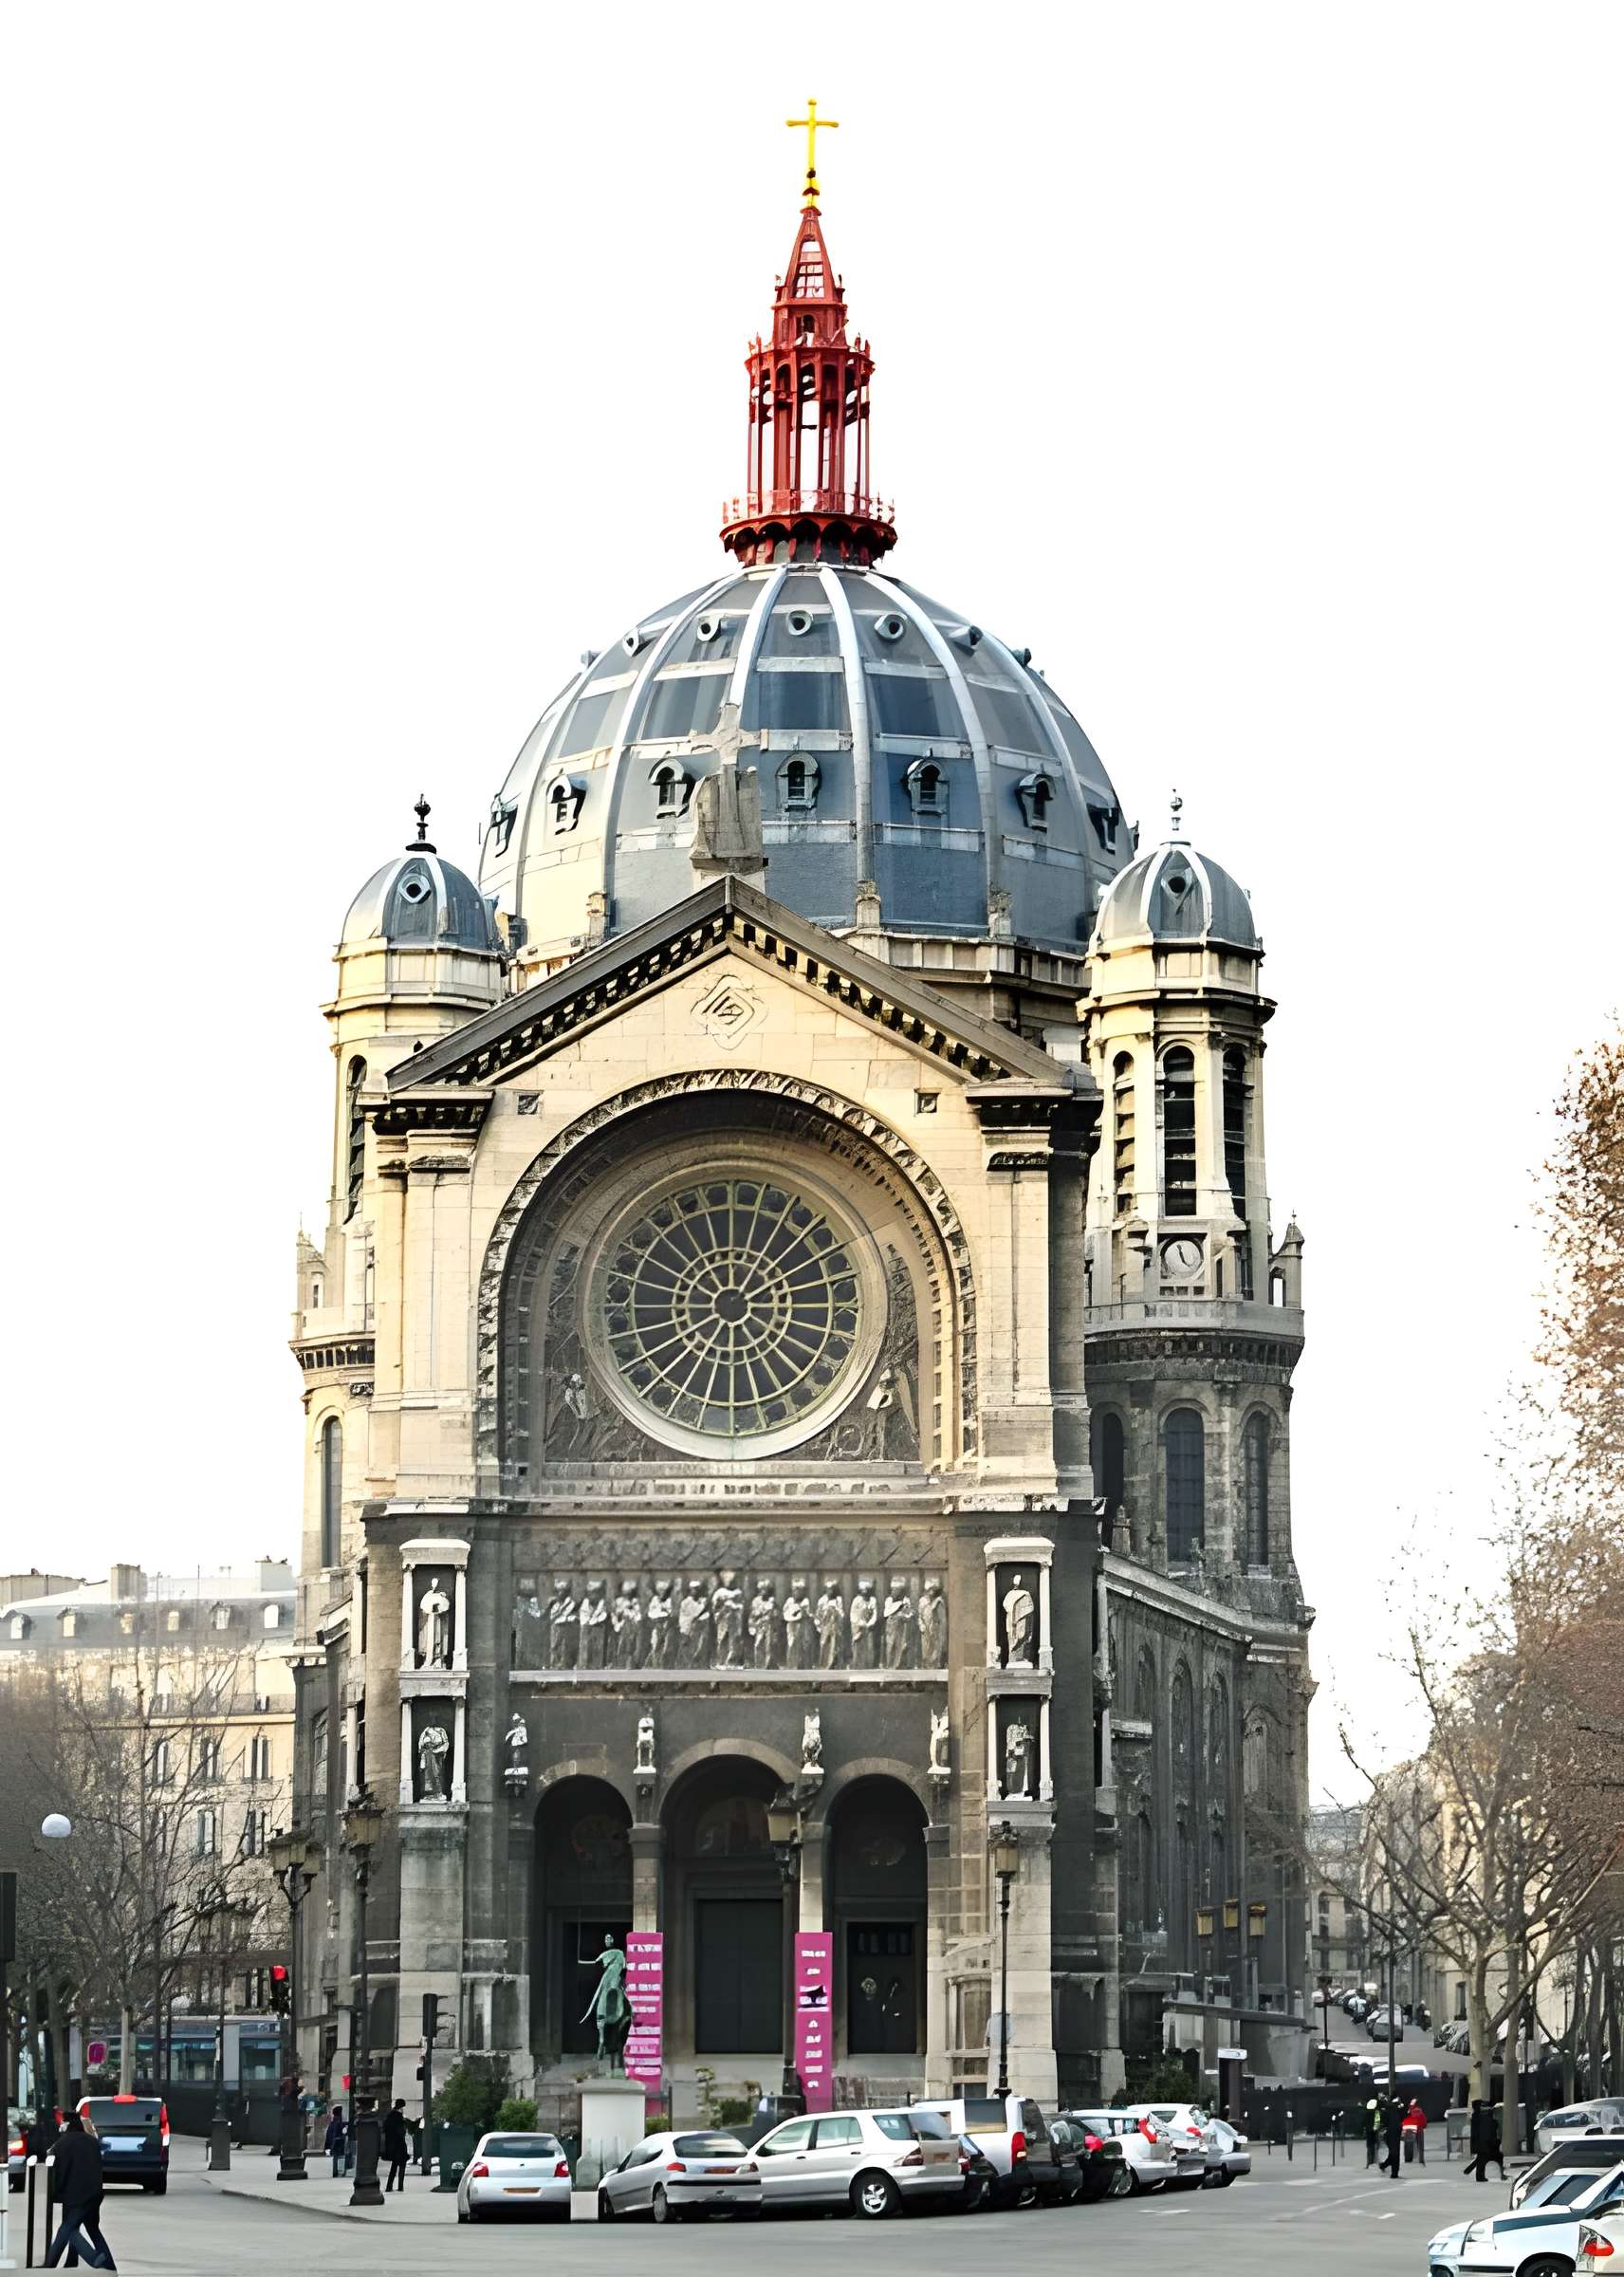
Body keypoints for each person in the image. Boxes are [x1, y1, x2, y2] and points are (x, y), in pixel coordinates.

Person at [43, 2112, 112, 2269]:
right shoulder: (92, 2141)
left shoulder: (62, 2144)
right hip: (95, 2194)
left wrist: (55, 2193)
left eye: (62, 2122)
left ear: (67, 2124)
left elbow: (60, 2173)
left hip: (75, 2196)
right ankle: (108, 2264)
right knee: (92, 2229)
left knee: (68, 2229)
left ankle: (93, 2258)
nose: (60, 2125)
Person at [1468, 2100, 1505, 2183]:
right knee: (1493, 2158)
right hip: (1486, 2144)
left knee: (1482, 2160)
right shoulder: (1483, 2117)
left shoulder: (1476, 2116)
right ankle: (1500, 2175)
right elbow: (1490, 2129)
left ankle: (1480, 2176)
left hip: (1482, 2144)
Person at [382, 2097, 410, 2192]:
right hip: (399, 2144)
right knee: (402, 2164)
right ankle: (400, 2186)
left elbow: (385, 2129)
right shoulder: (398, 2116)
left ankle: (389, 2186)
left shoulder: (389, 2115)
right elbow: (401, 2130)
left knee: (394, 2166)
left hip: (392, 2144)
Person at [1379, 2091, 1405, 2176]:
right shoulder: (1398, 2107)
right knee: (1395, 2152)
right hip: (1397, 2130)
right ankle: (1393, 2171)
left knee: (1393, 2152)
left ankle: (1385, 2166)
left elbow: (1384, 2120)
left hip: (1390, 2131)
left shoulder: (1388, 2107)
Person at [323, 2103, 348, 2178]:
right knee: (338, 2157)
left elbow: (329, 2134)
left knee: (335, 2157)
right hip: (337, 2142)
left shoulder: (333, 2122)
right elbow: (342, 2132)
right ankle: (336, 2171)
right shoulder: (339, 2122)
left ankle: (334, 2171)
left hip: (333, 2142)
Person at [1403, 2096, 1428, 2163]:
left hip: (1409, 2130)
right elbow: (1424, 2122)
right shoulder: (1420, 2112)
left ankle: (1408, 2158)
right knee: (1420, 2145)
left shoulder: (1408, 2112)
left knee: (1408, 2144)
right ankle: (1421, 2159)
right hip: (1419, 2129)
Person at [1363, 2093, 1382, 2167]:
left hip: (1369, 2130)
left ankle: (1369, 2162)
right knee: (1375, 2146)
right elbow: (1377, 2120)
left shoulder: (1367, 2111)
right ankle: (1374, 2162)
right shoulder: (1376, 2111)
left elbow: (1365, 2121)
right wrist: (1376, 2128)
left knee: (1369, 2147)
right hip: (1374, 2130)